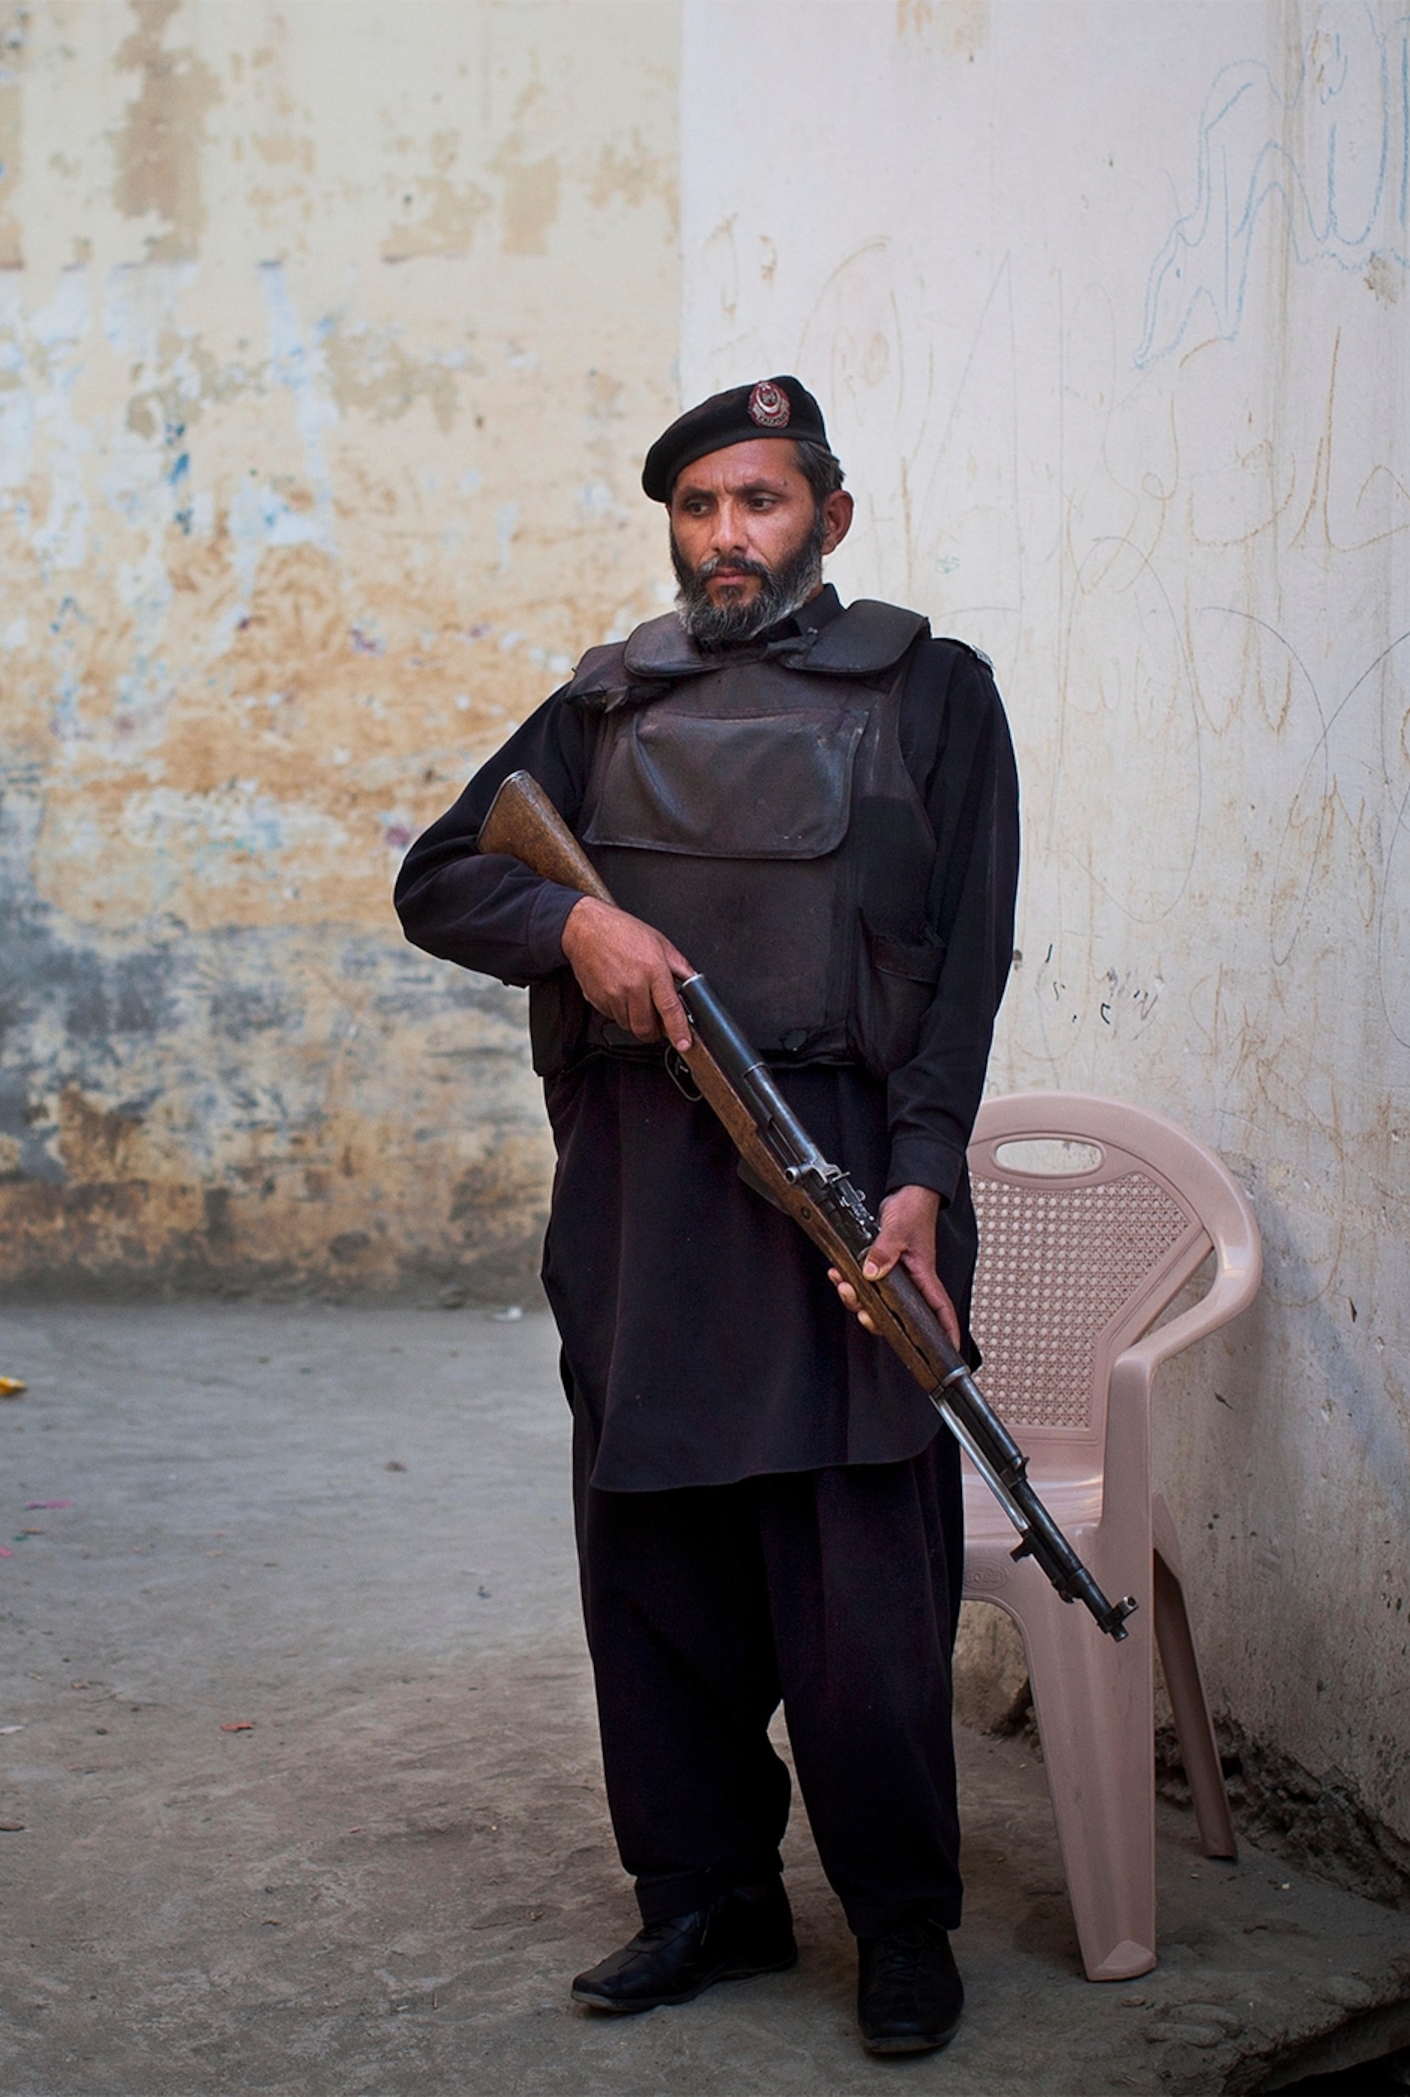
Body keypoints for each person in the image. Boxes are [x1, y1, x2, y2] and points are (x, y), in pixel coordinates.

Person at [392, 375, 1018, 2056]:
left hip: (838, 1178)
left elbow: (962, 968)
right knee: (655, 1566)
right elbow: (439, 877)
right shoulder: (600, 704)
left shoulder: (934, 693)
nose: (726, 535)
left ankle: (898, 1922)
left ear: (828, 512)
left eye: (758, 500)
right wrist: (569, 931)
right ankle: (708, 1895)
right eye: (696, 507)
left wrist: (923, 1174)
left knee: (863, 1595)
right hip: (644, 1190)